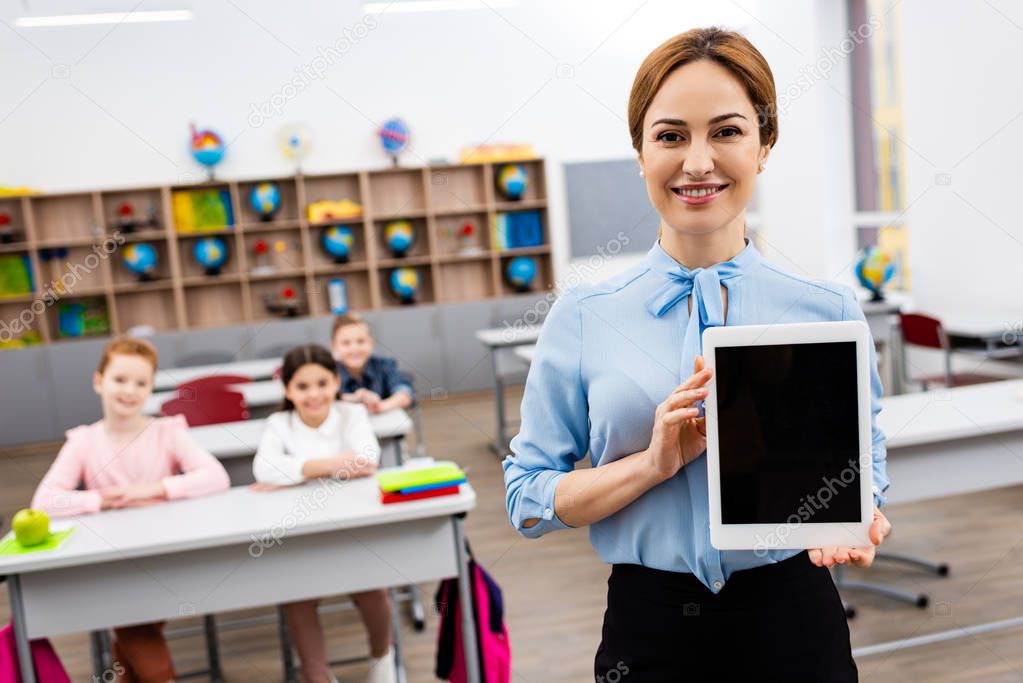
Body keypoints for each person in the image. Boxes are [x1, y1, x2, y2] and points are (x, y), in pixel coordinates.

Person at [503, 27, 893, 682]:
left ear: (764, 146)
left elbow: (866, 452)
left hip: (794, 617)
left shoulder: (826, 309)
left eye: (726, 131)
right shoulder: (582, 315)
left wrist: (857, 510)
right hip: (649, 626)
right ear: (639, 150)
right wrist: (649, 465)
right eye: (671, 135)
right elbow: (527, 496)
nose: (697, 161)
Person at [32, 336, 230, 683]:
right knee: (134, 618)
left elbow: (216, 477)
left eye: (141, 383)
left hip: (165, 558)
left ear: (151, 387)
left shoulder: (166, 431)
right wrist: (100, 499)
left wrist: (155, 489)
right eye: (119, 379)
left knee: (134, 634)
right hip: (112, 565)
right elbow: (44, 502)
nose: (129, 390)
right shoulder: (84, 441)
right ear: (99, 381)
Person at [252, 343, 395, 683]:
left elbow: (366, 458)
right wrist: (334, 464)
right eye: (302, 387)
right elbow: (264, 469)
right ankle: (317, 676)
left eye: (321, 384)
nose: (313, 395)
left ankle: (382, 658)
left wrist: (297, 471)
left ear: (335, 383)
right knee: (298, 600)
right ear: (287, 389)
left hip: (352, 530)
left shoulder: (351, 414)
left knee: (374, 592)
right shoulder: (279, 423)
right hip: (298, 534)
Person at [330, 313, 414, 415]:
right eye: (346, 343)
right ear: (334, 346)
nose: (354, 349)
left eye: (361, 341)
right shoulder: (329, 373)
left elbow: (404, 393)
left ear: (371, 342)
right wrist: (353, 398)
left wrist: (379, 406)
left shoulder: (384, 365)